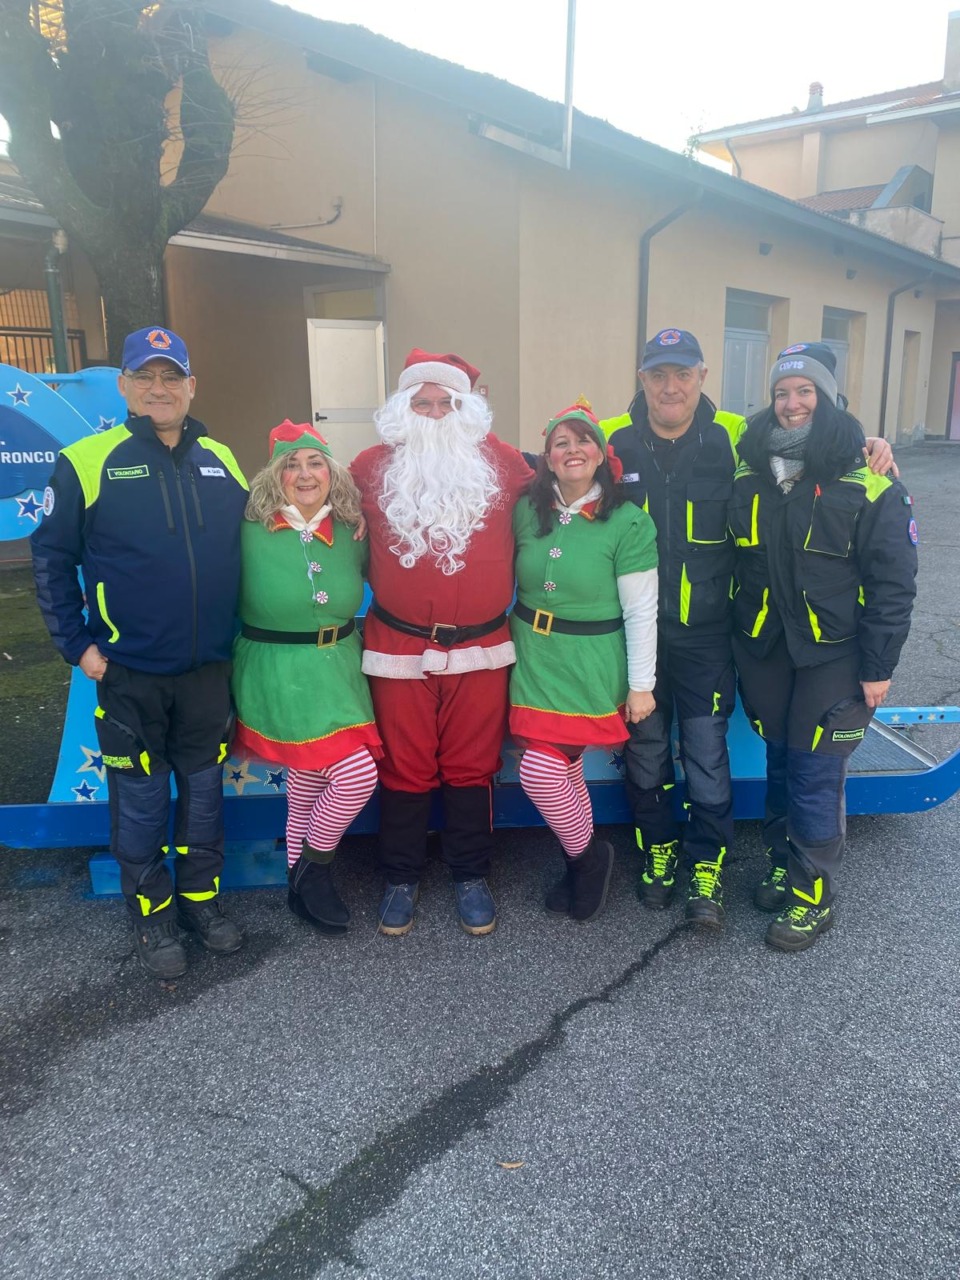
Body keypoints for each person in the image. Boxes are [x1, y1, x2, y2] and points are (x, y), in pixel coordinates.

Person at [601, 329, 895, 930]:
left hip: (708, 636)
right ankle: (658, 850)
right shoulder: (610, 439)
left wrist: (867, 443)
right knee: (645, 752)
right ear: (642, 379)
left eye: (683, 373)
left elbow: (811, 436)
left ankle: (708, 863)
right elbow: (556, 460)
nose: (671, 387)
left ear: (703, 377)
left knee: (708, 755)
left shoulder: (737, 436)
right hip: (633, 636)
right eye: (658, 374)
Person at [31, 326, 248, 979]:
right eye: (145, 376)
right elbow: (51, 558)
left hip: (208, 671)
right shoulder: (86, 460)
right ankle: (153, 916)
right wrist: (76, 646)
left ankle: (202, 904)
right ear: (124, 385)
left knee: (204, 797)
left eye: (171, 376)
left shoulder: (222, 458)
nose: (160, 388)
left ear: (191, 386)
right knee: (142, 800)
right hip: (129, 673)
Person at [730, 342, 917, 951]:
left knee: (815, 770)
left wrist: (879, 666)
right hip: (767, 647)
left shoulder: (869, 479)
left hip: (834, 653)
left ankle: (814, 894)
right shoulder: (750, 468)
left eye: (805, 391)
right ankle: (784, 863)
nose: (792, 403)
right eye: (782, 393)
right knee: (781, 760)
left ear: (828, 397)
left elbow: (893, 583)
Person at [350, 350, 533, 937]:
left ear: (468, 409)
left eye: (448, 403)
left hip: (481, 647)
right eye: (422, 403)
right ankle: (400, 877)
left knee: (472, 765)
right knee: (404, 765)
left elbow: (567, 485)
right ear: (403, 409)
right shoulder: (369, 467)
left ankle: (470, 875)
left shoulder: (503, 463)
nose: (434, 414)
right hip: (398, 646)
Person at [231, 421, 381, 936]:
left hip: (340, 666)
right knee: (355, 774)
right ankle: (313, 870)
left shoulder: (352, 529)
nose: (304, 474)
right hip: (278, 668)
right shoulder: (246, 526)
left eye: (315, 462)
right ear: (274, 475)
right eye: (290, 465)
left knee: (311, 780)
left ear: (331, 471)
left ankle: (300, 880)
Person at [510, 402, 659, 920]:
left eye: (583, 440)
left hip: (590, 662)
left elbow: (641, 610)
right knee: (563, 767)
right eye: (561, 443)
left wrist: (641, 684)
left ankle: (588, 857)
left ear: (601, 454)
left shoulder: (629, 521)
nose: (572, 450)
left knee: (539, 771)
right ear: (547, 458)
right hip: (531, 659)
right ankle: (584, 861)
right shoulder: (526, 510)